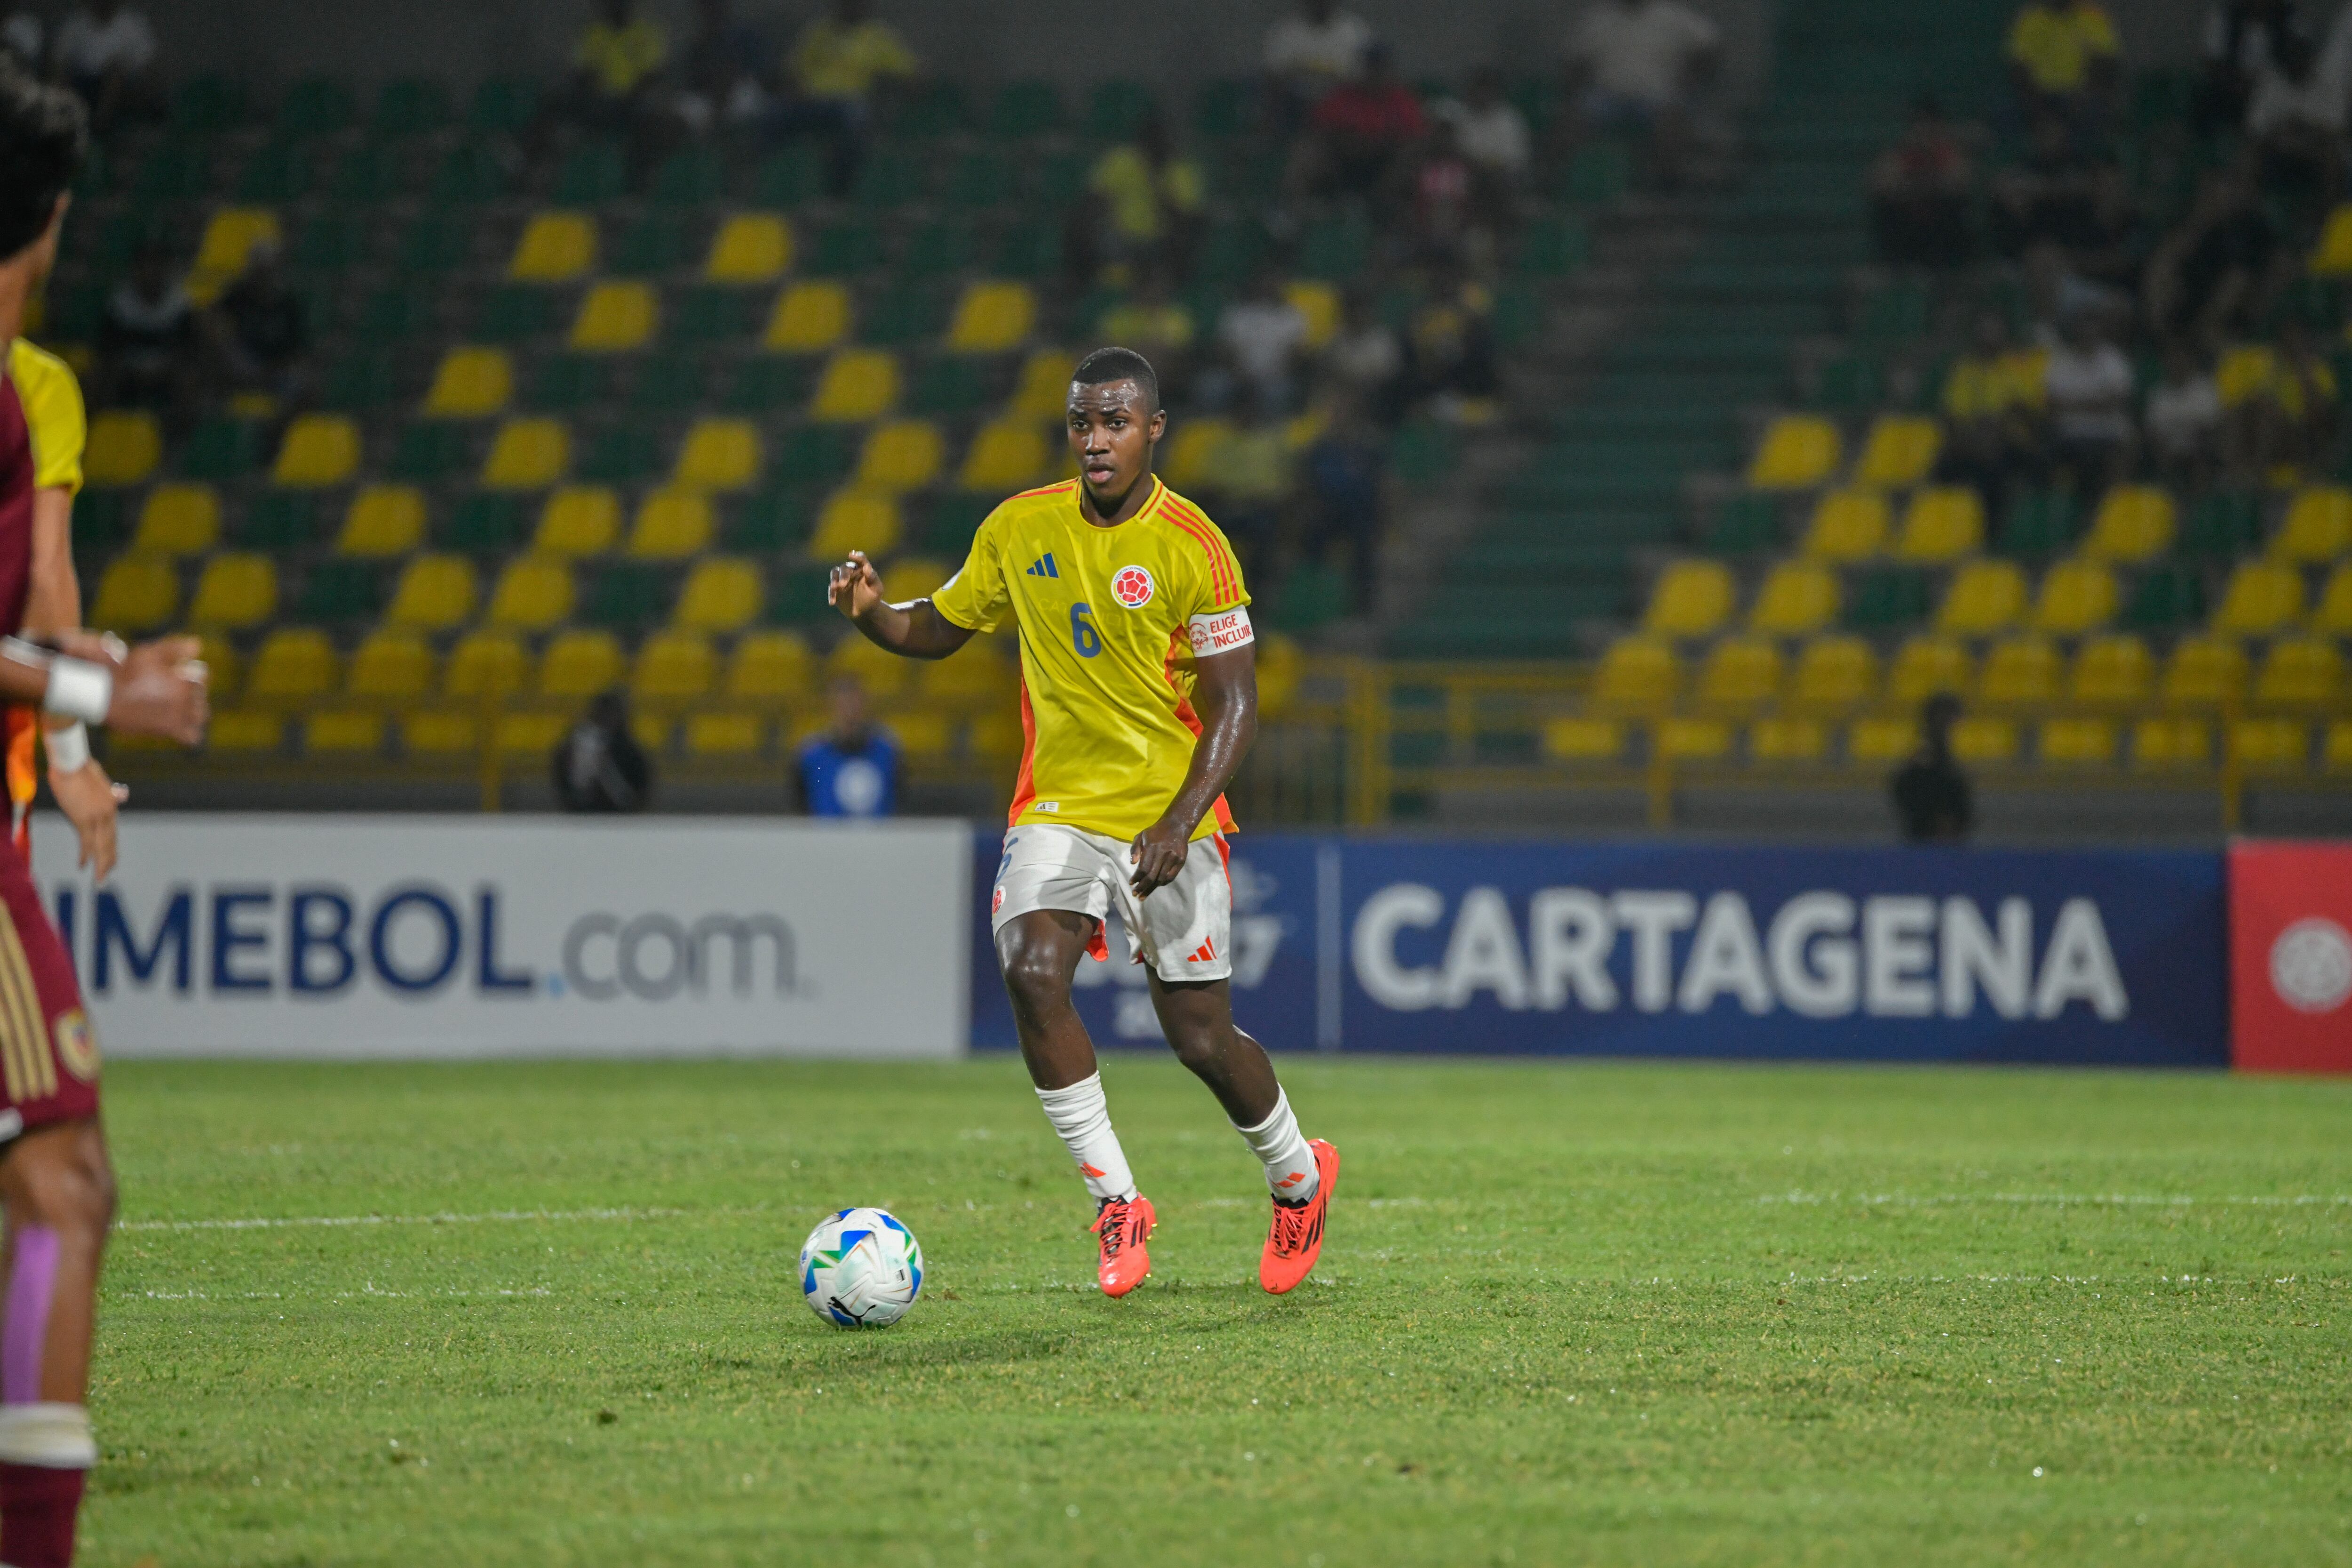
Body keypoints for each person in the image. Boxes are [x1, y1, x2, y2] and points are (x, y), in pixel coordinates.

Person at [826, 345, 1339, 1299]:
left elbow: (1236, 705)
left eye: (1115, 423)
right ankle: (1117, 1201)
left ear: (1154, 431)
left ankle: (1298, 1176)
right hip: (1057, 806)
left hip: (1169, 815)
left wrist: (1180, 819)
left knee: (1201, 1039)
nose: (1096, 441)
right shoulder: (1020, 526)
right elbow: (940, 625)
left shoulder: (1194, 543)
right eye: (1081, 424)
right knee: (1031, 971)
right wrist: (873, 616)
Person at [0, 58, 213, 1568]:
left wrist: (66, 734)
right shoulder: (27, 389)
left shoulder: (29, 394)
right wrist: (95, 699)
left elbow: (42, 601)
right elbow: (51, 618)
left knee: (52, 1183)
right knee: (61, 1186)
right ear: (56, 216)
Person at [1564, 0, 1721, 186]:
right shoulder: (1600, 19)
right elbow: (1575, 59)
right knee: (1570, 122)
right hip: (1607, 96)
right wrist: (1576, 91)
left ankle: (1665, 186)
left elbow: (1709, 46)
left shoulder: (1674, 16)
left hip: (1657, 97)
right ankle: (1558, 186)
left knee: (1672, 122)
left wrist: (1690, 81)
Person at [781, 0, 918, 195]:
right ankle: (751, 180)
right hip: (813, 101)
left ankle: (840, 187)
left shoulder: (877, 36)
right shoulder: (820, 32)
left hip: (849, 102)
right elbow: (794, 69)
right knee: (770, 115)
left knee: (856, 119)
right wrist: (795, 89)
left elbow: (910, 73)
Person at [1295, 41, 1425, 203]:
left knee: (1409, 159)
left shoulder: (1402, 100)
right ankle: (1298, 210)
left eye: (1380, 68)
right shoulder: (1343, 95)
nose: (1374, 74)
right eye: (1370, 68)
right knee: (1308, 152)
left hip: (1384, 165)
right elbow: (1319, 127)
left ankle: (1383, 209)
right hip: (1342, 161)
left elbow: (1414, 137)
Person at [95, 239, 194, 426]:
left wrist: (162, 367)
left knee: (188, 379)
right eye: (146, 267)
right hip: (129, 370)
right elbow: (109, 350)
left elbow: (187, 350)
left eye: (157, 267)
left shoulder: (179, 305)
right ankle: (103, 428)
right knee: (100, 377)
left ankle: (179, 434)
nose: (151, 273)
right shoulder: (121, 305)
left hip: (167, 370)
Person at [2041, 305, 2135, 491]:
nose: (2087, 333)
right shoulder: (2061, 362)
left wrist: (2072, 403)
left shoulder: (2114, 360)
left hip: (2107, 433)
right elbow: (2052, 403)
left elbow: (2117, 402)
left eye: (2092, 327)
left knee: (2124, 449)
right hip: (2069, 435)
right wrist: (2095, 401)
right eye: (2082, 327)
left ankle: (2113, 501)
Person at [207, 240, 308, 413]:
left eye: (268, 270)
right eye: (259, 270)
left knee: (298, 386)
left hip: (276, 372)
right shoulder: (236, 299)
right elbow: (215, 324)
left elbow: (297, 350)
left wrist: (273, 370)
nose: (263, 277)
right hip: (240, 367)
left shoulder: (288, 306)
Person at [792, 674, 900, 817]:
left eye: (854, 702)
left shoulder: (885, 751)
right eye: (843, 702)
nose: (849, 710)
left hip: (877, 831)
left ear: (864, 704)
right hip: (825, 831)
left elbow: (897, 797)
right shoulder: (812, 756)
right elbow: (800, 803)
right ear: (831, 706)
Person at [2005, 0, 2121, 127]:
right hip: (2039, 99)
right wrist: (2040, 111)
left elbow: (2107, 64)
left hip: (2082, 98)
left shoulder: (2091, 17)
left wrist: (2083, 98)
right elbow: (2018, 68)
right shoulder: (2031, 19)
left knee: (2097, 114)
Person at [48, 1, 156, 135]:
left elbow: (148, 64)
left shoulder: (133, 24)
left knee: (115, 74)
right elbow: (58, 58)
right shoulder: (77, 23)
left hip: (121, 85)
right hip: (82, 82)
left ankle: (101, 125)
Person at [1262, 0, 1372, 127]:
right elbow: (1273, 75)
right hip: (1294, 110)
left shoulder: (1356, 32)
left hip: (1345, 112)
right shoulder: (1285, 32)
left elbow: (1368, 77)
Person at [671, 0, 771, 140]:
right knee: (687, 109)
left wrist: (730, 84)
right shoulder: (699, 44)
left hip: (739, 94)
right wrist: (714, 92)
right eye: (707, 7)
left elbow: (760, 74)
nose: (712, 10)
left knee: (748, 100)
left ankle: (744, 145)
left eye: (715, 5)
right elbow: (692, 83)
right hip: (707, 100)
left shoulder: (746, 35)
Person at [551, 689, 652, 812]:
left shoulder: (628, 751)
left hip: (619, 814)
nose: (608, 719)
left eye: (612, 714)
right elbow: (565, 780)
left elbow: (639, 787)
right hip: (582, 811)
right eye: (604, 713)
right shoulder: (576, 745)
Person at [1892, 694, 1973, 843]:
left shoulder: (1947, 757)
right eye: (1950, 718)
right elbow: (1904, 789)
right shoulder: (1924, 758)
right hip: (1924, 834)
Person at [2144, 342, 2224, 487]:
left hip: (2199, 448)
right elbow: (2152, 430)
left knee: (2203, 453)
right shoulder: (2158, 394)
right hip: (2167, 450)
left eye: (2180, 359)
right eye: (2172, 360)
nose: (2176, 364)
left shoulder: (2204, 388)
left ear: (2190, 361)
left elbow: (2211, 424)